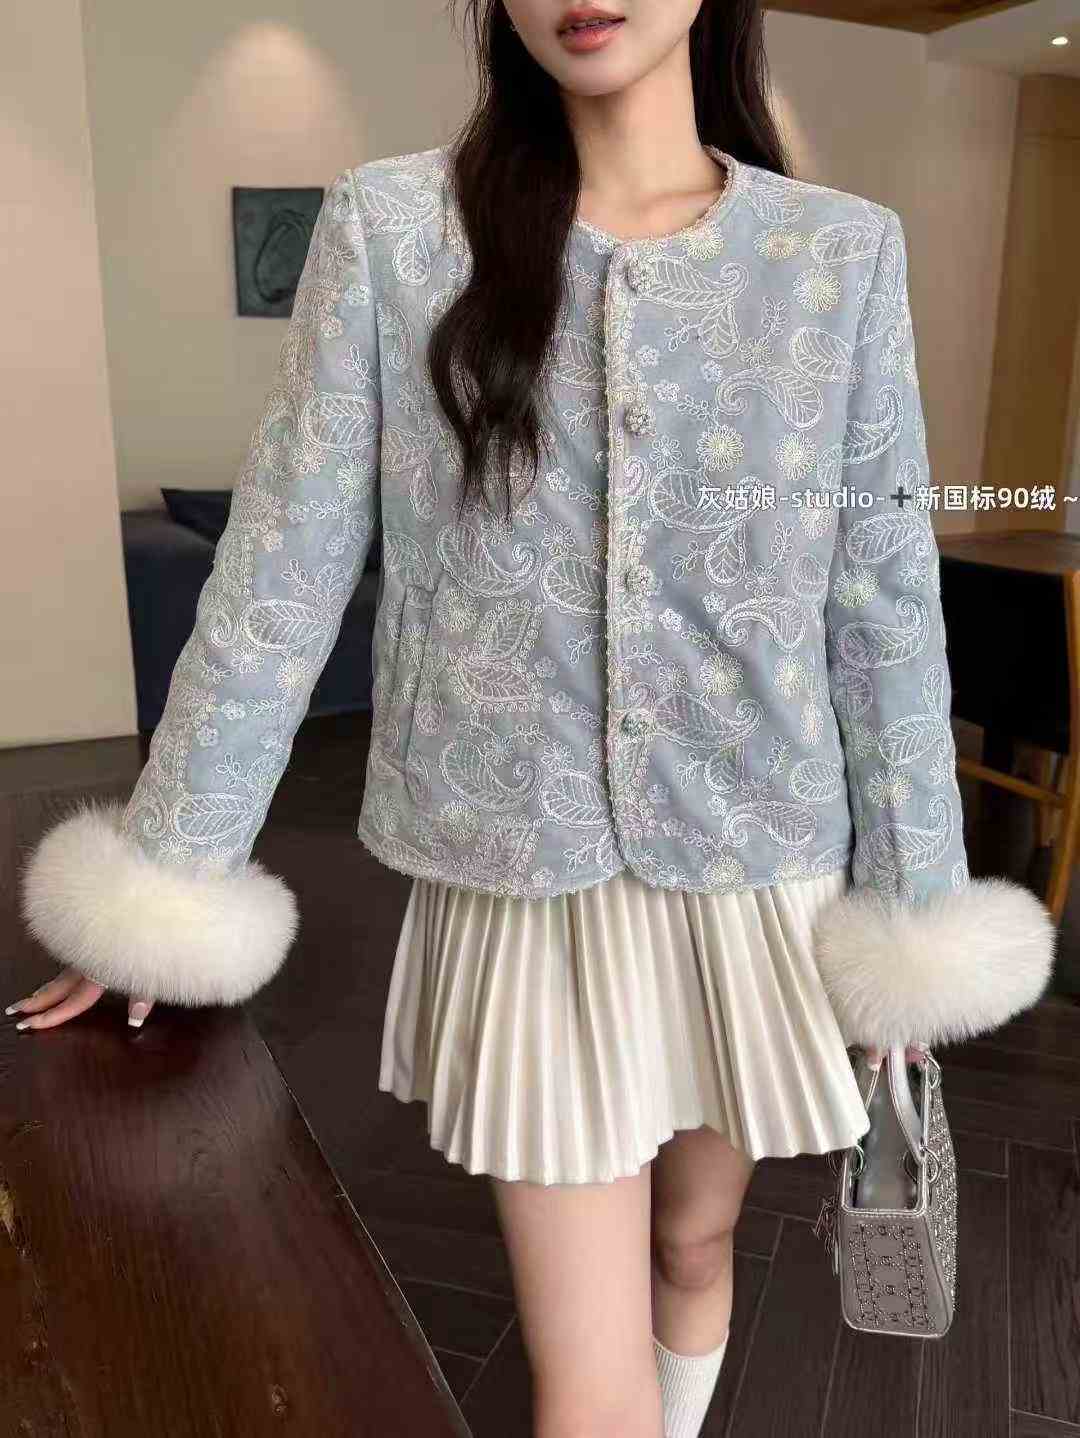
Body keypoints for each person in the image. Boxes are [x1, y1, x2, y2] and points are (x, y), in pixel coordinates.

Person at [13, 3, 1054, 1436]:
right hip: (523, 878)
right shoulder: (396, 232)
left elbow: (882, 606)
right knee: (586, 1378)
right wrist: (164, 880)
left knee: (695, 1246)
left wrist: (918, 916)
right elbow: (281, 570)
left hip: (763, 869)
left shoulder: (836, 255)